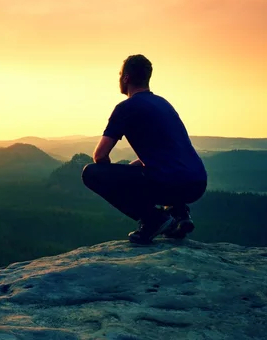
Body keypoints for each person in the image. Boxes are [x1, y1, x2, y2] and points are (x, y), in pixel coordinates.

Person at [81, 54, 207, 244]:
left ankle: (153, 220)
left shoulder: (126, 107)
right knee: (156, 172)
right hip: (197, 184)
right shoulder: (164, 104)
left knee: (91, 173)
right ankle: (179, 215)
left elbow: (100, 155)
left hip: (170, 182)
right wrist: (134, 171)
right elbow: (169, 150)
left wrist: (115, 179)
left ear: (126, 78)